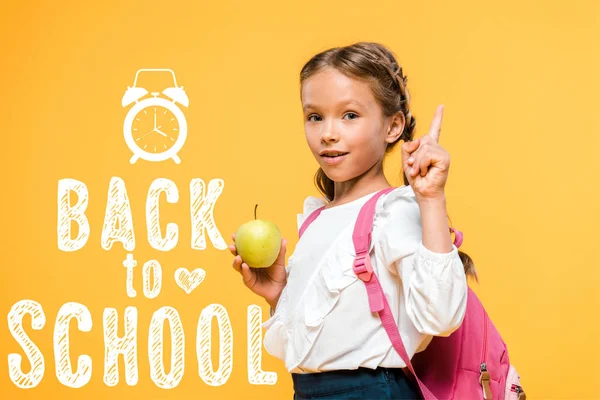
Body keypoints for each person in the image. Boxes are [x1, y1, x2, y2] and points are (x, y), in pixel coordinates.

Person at [229, 42, 476, 400]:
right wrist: (279, 296)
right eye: (315, 116)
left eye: (349, 115)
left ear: (393, 127)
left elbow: (441, 317)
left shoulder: (393, 210)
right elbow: (310, 348)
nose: (328, 132)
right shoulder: (317, 217)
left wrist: (431, 199)